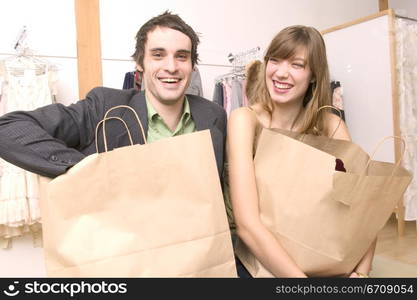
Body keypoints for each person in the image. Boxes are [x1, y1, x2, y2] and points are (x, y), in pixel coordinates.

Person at [0, 11, 227, 180]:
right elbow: (8, 128)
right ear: (140, 63)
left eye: (181, 56)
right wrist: (87, 170)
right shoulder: (104, 106)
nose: (171, 66)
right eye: (158, 55)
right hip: (126, 241)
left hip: (199, 240)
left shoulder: (214, 115)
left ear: (192, 65)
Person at [226, 25, 375, 278]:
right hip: (264, 262)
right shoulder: (245, 120)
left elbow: (365, 205)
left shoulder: (331, 124)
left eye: (296, 65)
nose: (281, 73)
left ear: (314, 75)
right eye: (275, 60)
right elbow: (247, 225)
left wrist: (361, 274)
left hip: (325, 258)